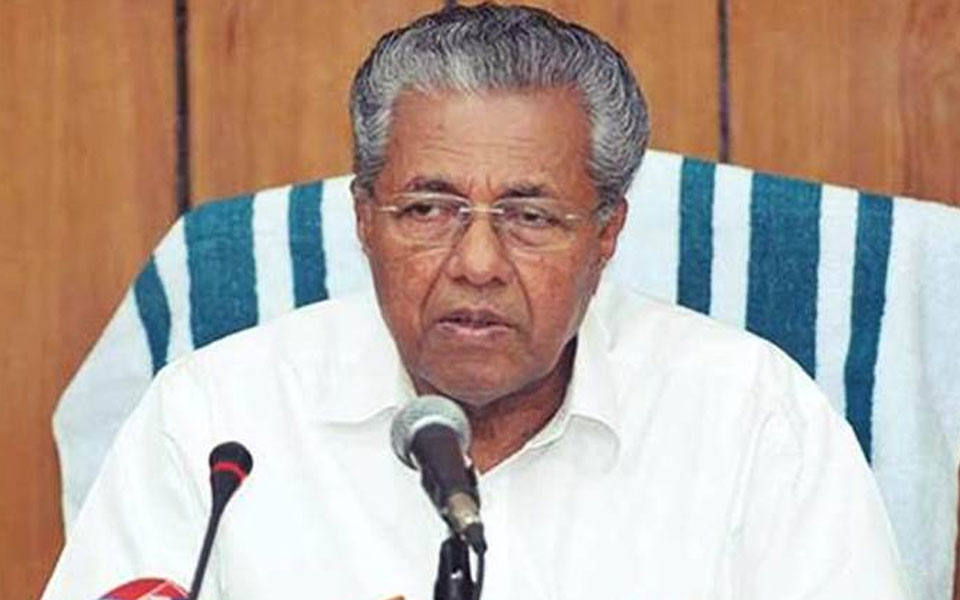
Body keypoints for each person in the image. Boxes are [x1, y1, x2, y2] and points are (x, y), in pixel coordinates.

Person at [42, 4, 906, 599]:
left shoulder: (751, 417)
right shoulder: (215, 424)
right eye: (428, 209)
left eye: (531, 217)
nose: (479, 263)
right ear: (364, 220)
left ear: (606, 233)